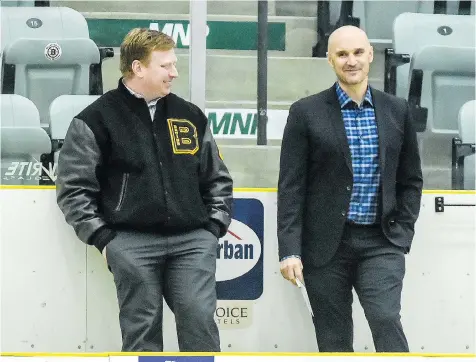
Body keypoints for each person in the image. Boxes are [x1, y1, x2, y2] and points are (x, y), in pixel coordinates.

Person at [56, 28, 233, 352]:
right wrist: (104, 239)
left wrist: (212, 228)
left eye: (174, 64)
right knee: (142, 336)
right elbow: (73, 188)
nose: (174, 73)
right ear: (137, 67)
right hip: (130, 242)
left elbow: (217, 178)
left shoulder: (190, 115)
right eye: (166, 65)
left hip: (192, 241)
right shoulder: (95, 119)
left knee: (200, 326)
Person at [277, 25, 423, 352]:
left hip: (381, 240)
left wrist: (404, 230)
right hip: (325, 245)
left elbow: (411, 179)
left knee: (385, 319)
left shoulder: (397, 110)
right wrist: (289, 249)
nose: (351, 60)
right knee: (333, 338)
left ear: (371, 55)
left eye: (358, 52)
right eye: (342, 54)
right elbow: (290, 187)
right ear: (330, 60)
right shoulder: (305, 113)